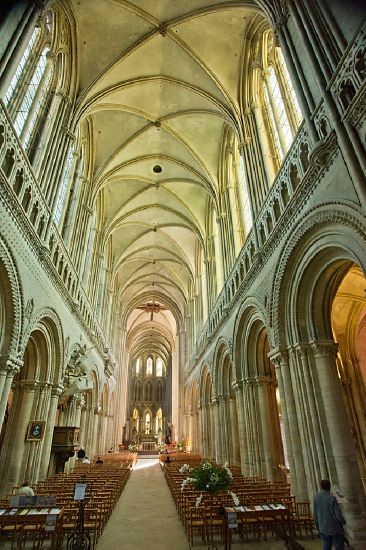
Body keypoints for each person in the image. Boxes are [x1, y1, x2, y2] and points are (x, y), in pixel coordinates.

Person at [313, 479, 346, 550]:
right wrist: (343, 523)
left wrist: (317, 526)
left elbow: (315, 514)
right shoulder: (332, 498)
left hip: (322, 527)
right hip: (334, 528)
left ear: (321, 486)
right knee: (339, 545)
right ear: (329, 487)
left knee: (326, 546)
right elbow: (338, 515)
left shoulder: (316, 497)